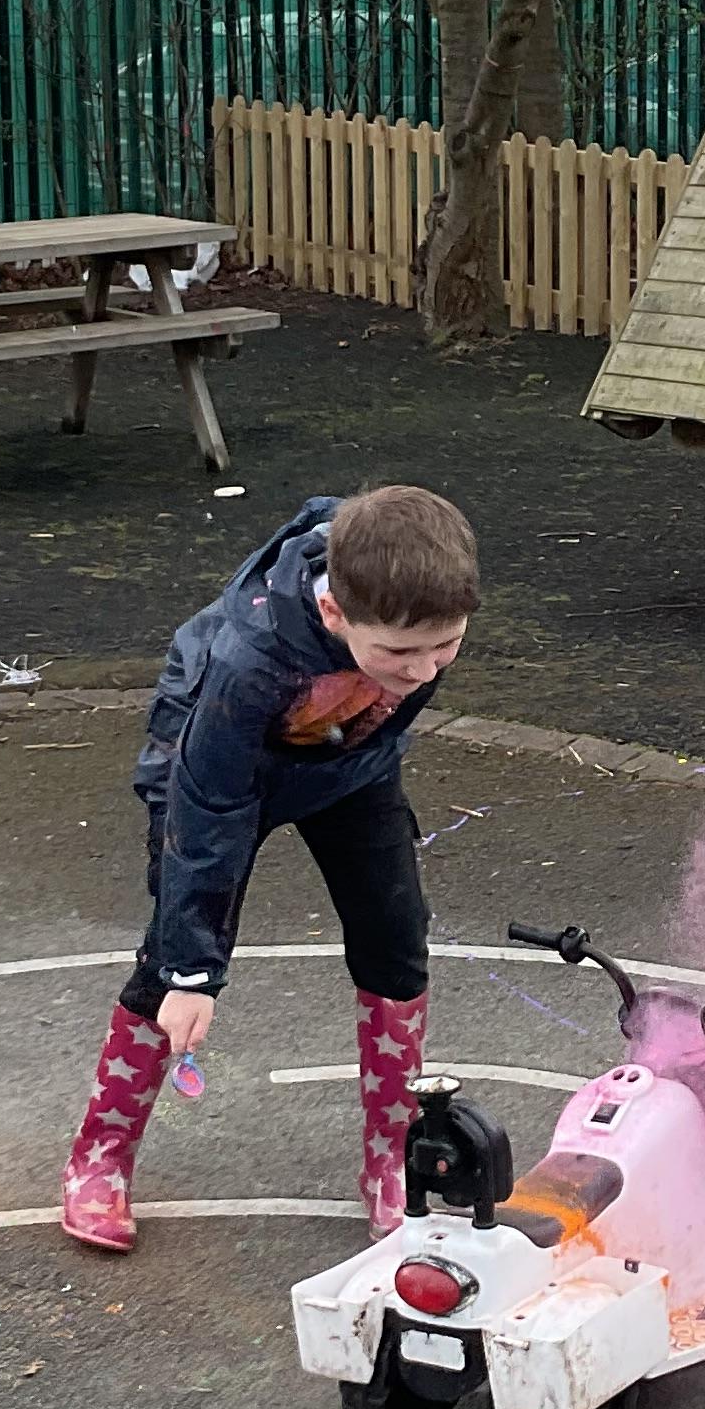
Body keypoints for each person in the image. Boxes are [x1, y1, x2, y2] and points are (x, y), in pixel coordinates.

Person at [61, 485, 479, 1252]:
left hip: (346, 764)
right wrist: (195, 971)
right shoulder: (248, 661)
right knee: (172, 961)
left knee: (396, 944)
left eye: (444, 646)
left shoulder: (413, 600)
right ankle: (100, 1159)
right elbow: (206, 813)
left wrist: (383, 681)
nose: (424, 670)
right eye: (399, 653)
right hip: (216, 777)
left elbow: (399, 679)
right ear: (335, 614)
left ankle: (392, 1165)